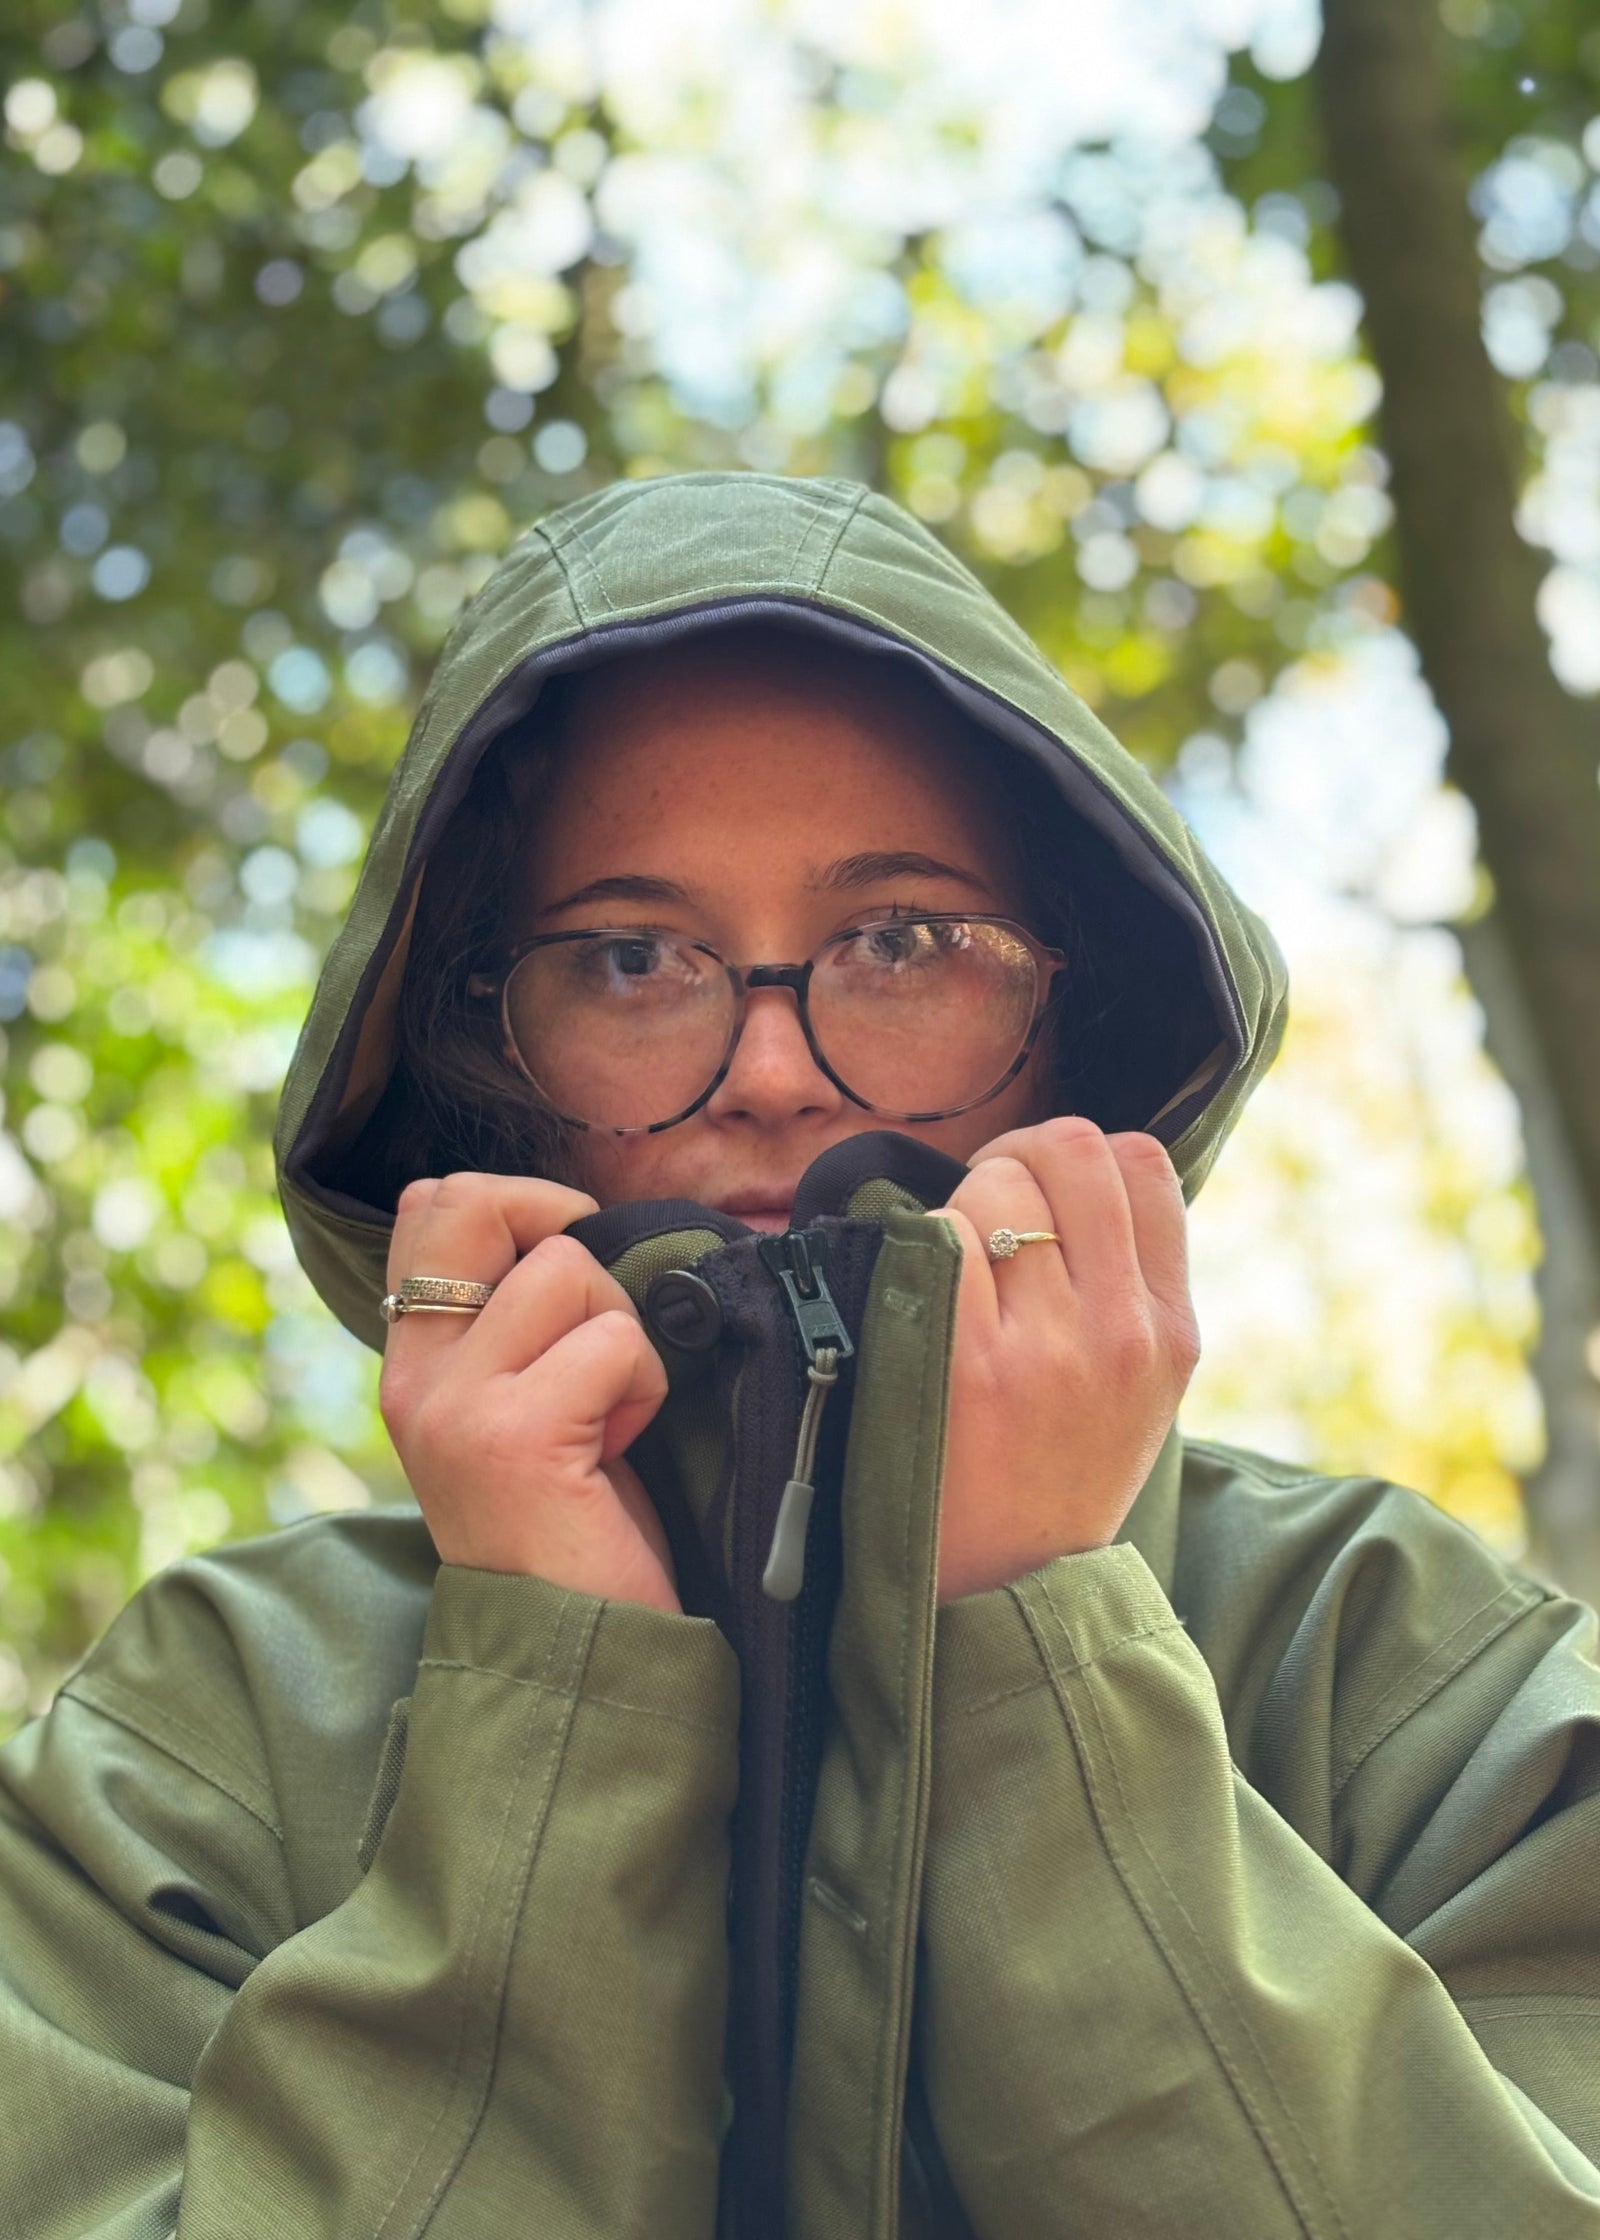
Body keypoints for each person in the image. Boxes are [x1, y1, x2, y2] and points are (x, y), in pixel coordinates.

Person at [3, 471, 1599, 2240]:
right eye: (631, 958)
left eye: (902, 938)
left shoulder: (1417, 1683)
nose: (772, 1073)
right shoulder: (204, 1731)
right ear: (484, 1060)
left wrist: (1040, 1645)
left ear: (1067, 1021)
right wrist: (551, 1707)